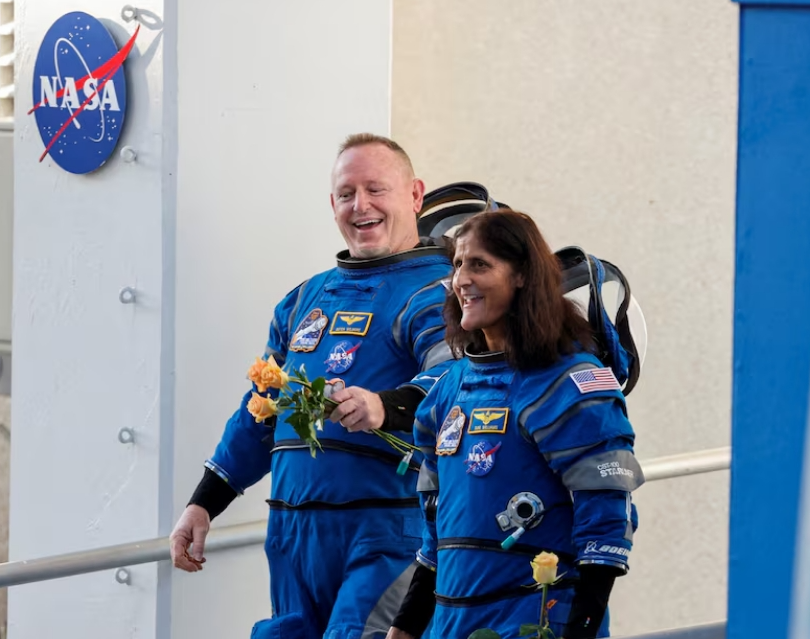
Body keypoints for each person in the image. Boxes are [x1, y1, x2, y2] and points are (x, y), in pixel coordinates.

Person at [168, 133, 457, 639]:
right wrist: (203, 502)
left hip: (388, 535)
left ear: (415, 196)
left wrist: (383, 406)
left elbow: (451, 384)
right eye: (346, 194)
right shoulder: (305, 299)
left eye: (376, 189)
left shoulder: (441, 294)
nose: (360, 205)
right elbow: (262, 408)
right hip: (294, 538)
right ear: (332, 204)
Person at [373, 210, 645, 639]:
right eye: (459, 264)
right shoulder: (449, 389)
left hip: (535, 624)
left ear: (521, 276)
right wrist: (404, 627)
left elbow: (607, 523)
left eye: (479, 264)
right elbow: (435, 530)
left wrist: (581, 631)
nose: (461, 279)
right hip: (450, 625)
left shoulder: (568, 382)